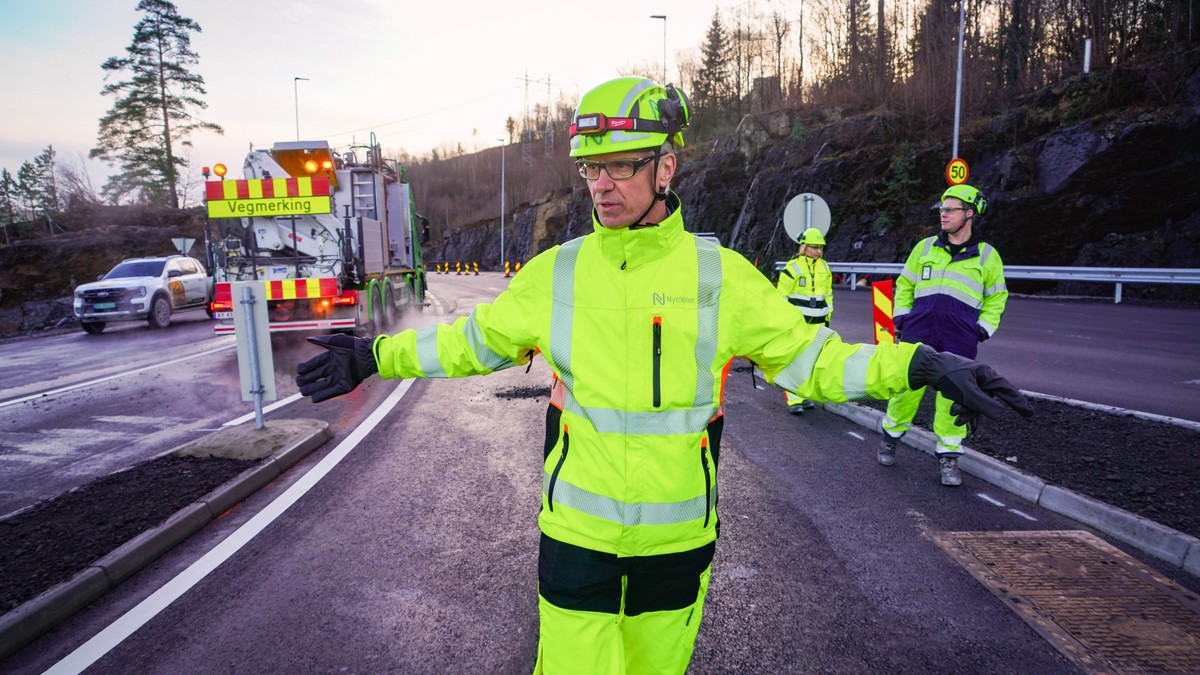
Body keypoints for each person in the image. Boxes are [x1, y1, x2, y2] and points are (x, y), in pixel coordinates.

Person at [296, 78, 1032, 674]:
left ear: (666, 167)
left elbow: (816, 361)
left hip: (677, 548)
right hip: (577, 538)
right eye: (592, 168)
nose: (602, 186)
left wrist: (922, 361)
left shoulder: (723, 279)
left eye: (621, 166)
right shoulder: (558, 275)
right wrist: (372, 355)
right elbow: (469, 343)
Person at [878, 183, 1010, 486]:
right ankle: (890, 438)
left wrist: (982, 329)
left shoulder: (987, 256)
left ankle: (949, 458)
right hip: (918, 332)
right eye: (942, 209)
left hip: (960, 338)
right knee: (904, 391)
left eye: (950, 209)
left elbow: (997, 298)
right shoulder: (924, 248)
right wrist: (901, 316)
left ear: (969, 214)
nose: (943, 214)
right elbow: (905, 284)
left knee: (954, 397)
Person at [775, 227, 833, 414]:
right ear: (804, 247)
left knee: (812, 360)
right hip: (797, 324)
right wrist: (785, 322)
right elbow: (781, 297)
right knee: (795, 359)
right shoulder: (792, 268)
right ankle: (794, 399)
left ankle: (806, 395)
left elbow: (829, 295)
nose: (818, 251)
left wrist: (828, 316)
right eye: (814, 247)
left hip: (818, 323)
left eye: (821, 248)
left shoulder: (825, 267)